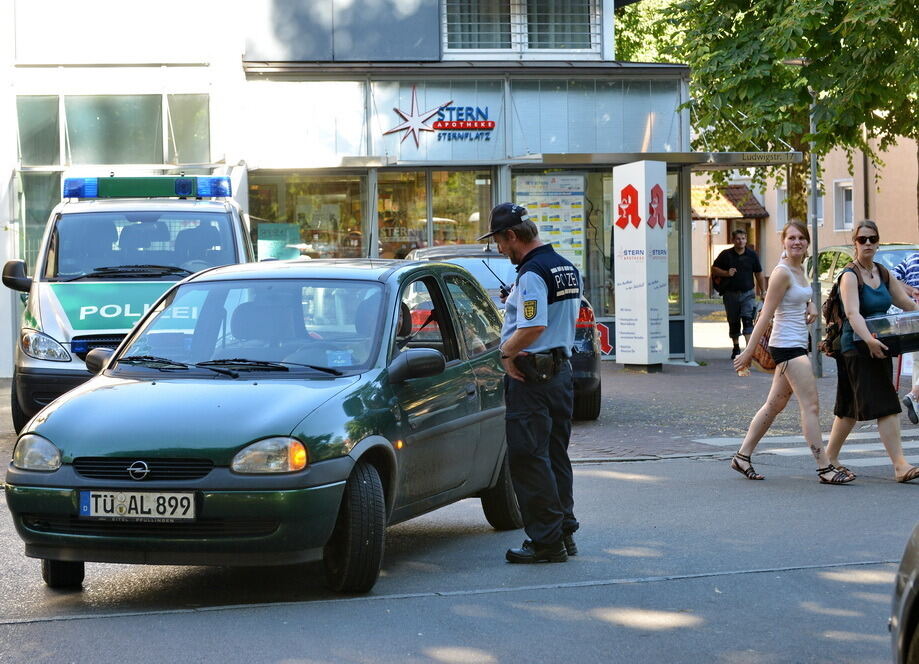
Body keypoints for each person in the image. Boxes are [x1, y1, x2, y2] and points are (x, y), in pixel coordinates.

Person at [479, 203, 581, 564]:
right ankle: (563, 531)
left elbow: (533, 327)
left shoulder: (533, 273)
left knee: (528, 458)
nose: (499, 250)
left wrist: (505, 354)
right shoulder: (564, 266)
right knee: (555, 455)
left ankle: (545, 541)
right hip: (559, 373)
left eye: (499, 242)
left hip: (532, 377)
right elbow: (547, 316)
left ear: (512, 236)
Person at [731, 221, 854, 484]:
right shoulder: (782, 272)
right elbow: (765, 314)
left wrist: (810, 304)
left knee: (774, 405)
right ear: (783, 241)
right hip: (786, 346)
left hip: (798, 343)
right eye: (792, 238)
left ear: (807, 243)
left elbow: (801, 294)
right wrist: (748, 352)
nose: (797, 242)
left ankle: (742, 456)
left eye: (801, 238)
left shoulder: (799, 268)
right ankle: (824, 467)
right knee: (810, 405)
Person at [825, 220, 919, 483]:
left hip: (881, 345)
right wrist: (869, 341)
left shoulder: (883, 272)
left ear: (878, 242)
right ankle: (900, 465)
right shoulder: (849, 275)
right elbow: (853, 313)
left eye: (872, 239)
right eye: (862, 239)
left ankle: (829, 457)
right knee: (887, 404)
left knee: (849, 409)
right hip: (856, 348)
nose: (867, 243)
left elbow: (905, 302)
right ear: (855, 243)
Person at [712, 229, 767, 358]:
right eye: (738, 238)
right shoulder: (726, 255)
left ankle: (749, 352)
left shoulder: (752, 255)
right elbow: (714, 269)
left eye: (743, 238)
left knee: (748, 320)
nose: (740, 241)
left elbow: (758, 273)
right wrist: (726, 273)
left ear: (746, 240)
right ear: (733, 240)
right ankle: (736, 347)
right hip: (730, 294)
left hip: (748, 293)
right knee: (734, 321)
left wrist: (763, 291)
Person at [892, 252, 919, 423]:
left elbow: (891, 277)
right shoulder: (913, 259)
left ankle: (916, 403)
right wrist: (913, 291)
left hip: (911, 318)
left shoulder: (911, 258)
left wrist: (910, 291)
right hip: (914, 314)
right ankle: (914, 394)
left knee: (918, 362)